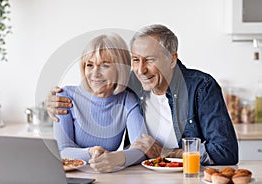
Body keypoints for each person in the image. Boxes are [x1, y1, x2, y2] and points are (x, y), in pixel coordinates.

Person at [47, 24, 238, 166]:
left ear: (172, 59)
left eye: (150, 60)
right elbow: (103, 85)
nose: (140, 70)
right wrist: (51, 102)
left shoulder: (201, 87)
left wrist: (167, 152)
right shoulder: (131, 85)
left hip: (190, 177)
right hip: (145, 175)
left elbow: (226, 151)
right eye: (136, 60)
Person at [54, 33, 147, 173]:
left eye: (105, 65)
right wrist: (91, 152)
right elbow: (61, 150)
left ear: (119, 70)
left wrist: (117, 158)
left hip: (107, 179)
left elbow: (142, 148)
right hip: (72, 177)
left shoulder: (127, 101)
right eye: (89, 65)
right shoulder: (65, 96)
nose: (95, 73)